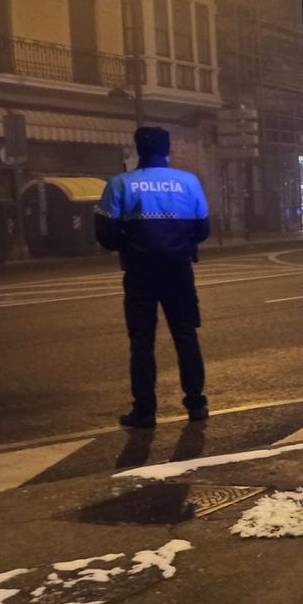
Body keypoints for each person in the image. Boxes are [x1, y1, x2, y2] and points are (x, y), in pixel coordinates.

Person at [94, 126, 212, 428]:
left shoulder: (120, 184)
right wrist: (181, 244)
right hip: (178, 271)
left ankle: (145, 410)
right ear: (168, 149)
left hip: (140, 273)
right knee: (186, 336)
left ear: (137, 149)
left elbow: (105, 233)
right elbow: (203, 229)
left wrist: (130, 245)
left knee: (142, 341)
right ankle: (196, 403)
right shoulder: (188, 182)